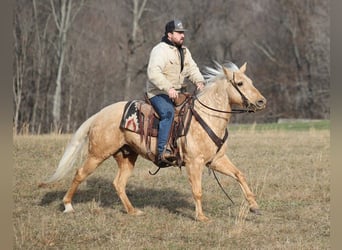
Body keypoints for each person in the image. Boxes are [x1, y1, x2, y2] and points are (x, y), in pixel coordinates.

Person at [146, 19, 205, 166]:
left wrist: (199, 81)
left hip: (178, 93)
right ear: (169, 34)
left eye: (183, 33)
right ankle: (162, 152)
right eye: (179, 33)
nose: (182, 35)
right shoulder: (160, 50)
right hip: (159, 93)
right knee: (168, 113)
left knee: (195, 111)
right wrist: (168, 88)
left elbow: (192, 68)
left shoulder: (184, 51)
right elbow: (153, 73)